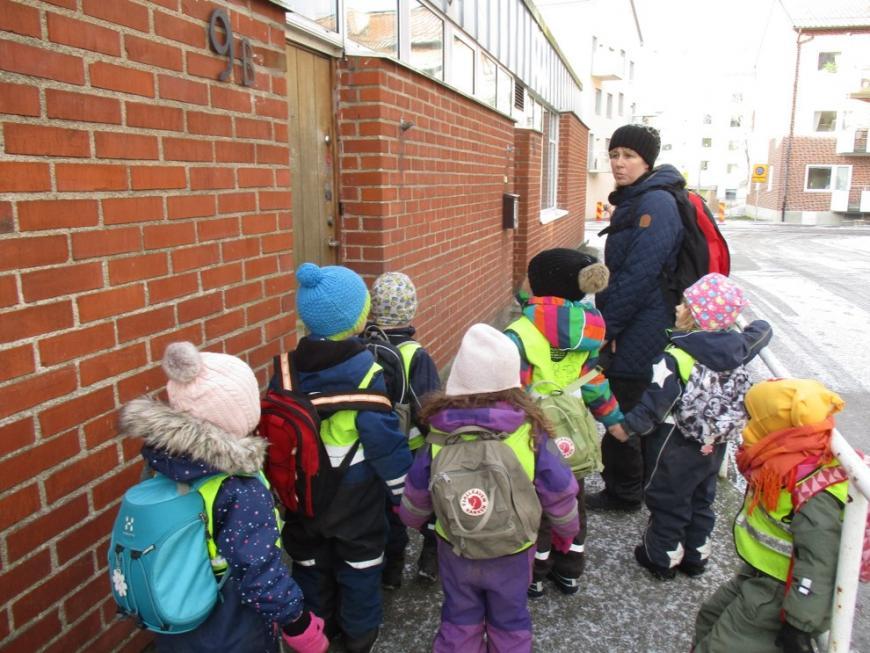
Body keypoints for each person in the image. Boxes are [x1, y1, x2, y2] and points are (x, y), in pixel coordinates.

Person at [119, 342, 328, 653]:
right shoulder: (238, 487)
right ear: (239, 416)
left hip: (176, 613)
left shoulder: (160, 462)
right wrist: (298, 624)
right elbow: (259, 572)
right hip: (231, 625)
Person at [399, 324, 580, 653]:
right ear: (511, 383)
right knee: (510, 617)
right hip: (512, 549)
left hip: (456, 544)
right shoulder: (529, 433)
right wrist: (566, 530)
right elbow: (560, 486)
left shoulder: (438, 432)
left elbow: (416, 492)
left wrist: (411, 520)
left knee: (459, 615)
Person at [281, 262, 412, 653]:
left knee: (309, 563)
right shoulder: (367, 372)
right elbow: (382, 442)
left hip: (303, 491)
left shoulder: (285, 369)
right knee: (360, 565)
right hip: (354, 493)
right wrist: (404, 493)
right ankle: (359, 634)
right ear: (357, 320)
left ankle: (320, 628)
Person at [607, 273, 772, 579]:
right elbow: (762, 331)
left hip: (675, 440)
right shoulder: (738, 348)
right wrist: (741, 323)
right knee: (701, 495)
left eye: (685, 305)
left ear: (695, 317)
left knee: (668, 497)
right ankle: (696, 553)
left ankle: (661, 556)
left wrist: (624, 429)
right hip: (715, 442)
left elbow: (654, 404)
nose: (677, 308)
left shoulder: (676, 356)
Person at [693, 378, 847, 653]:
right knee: (710, 616)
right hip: (758, 575)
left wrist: (799, 623)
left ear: (776, 428)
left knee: (721, 645)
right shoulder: (783, 463)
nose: (746, 426)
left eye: (754, 419)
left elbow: (820, 560)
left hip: (779, 593)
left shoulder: (811, 490)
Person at [504, 248, 623, 597]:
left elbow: (514, 389)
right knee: (572, 500)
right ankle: (569, 569)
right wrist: (614, 419)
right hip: (575, 433)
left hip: (534, 434)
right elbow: (593, 381)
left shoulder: (520, 332)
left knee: (536, 504)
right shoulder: (589, 331)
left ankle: (536, 573)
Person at [588, 123, 687, 513]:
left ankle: (625, 492)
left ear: (648, 161)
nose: (618, 163)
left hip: (643, 322)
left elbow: (638, 275)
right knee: (632, 400)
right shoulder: (639, 198)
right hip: (638, 318)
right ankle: (636, 485)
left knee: (625, 403)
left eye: (628, 156)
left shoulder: (656, 203)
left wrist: (606, 329)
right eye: (614, 155)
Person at [365, 271, 443, 587]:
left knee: (387, 509)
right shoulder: (416, 355)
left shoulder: (362, 347)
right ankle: (430, 556)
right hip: (410, 449)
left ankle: (391, 568)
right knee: (426, 502)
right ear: (411, 310)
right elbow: (429, 408)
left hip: (374, 447)